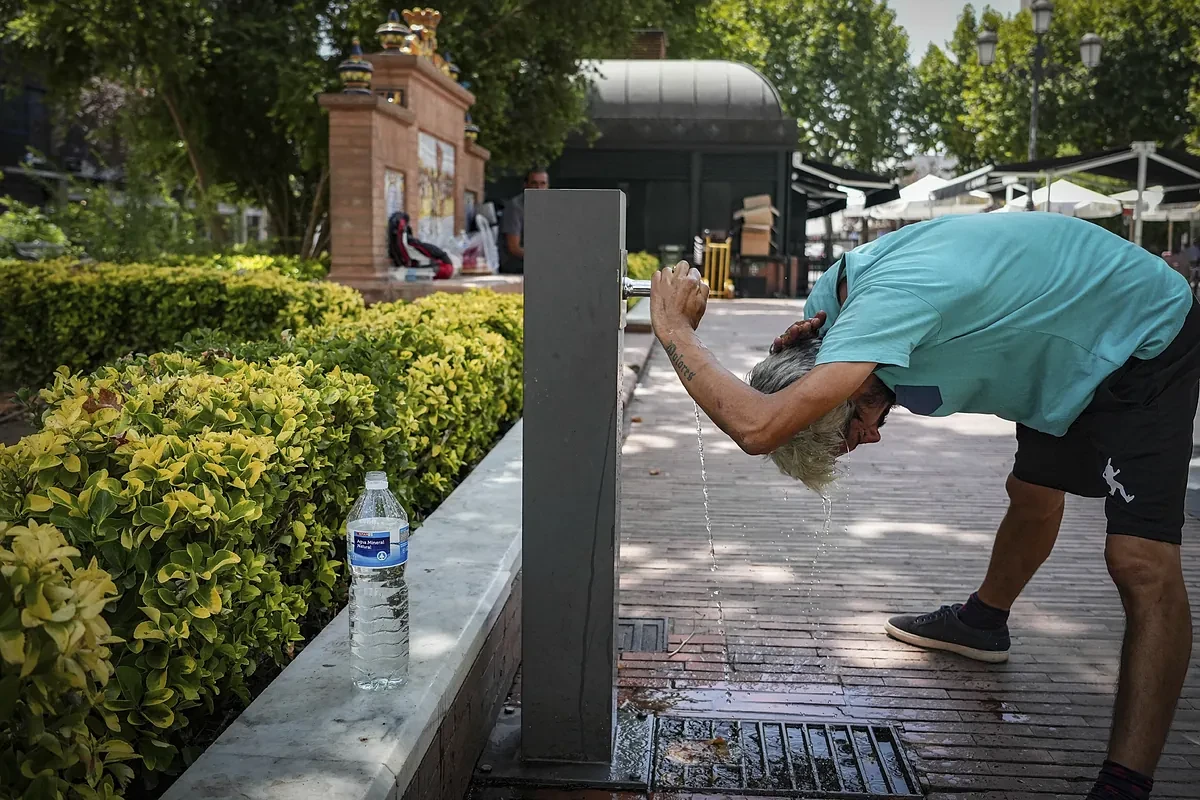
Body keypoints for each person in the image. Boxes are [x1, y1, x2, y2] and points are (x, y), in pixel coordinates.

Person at [649, 212, 1198, 800]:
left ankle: (1124, 785)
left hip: (1139, 333)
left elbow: (758, 429)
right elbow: (789, 389)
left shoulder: (891, 304)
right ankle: (983, 624)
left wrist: (675, 329)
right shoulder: (827, 315)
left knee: (1140, 559)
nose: (875, 435)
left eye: (854, 426)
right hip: (1060, 349)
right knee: (1032, 492)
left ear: (847, 384)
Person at [498, 167, 549, 274]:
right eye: (534, 183)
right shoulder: (515, 207)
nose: (538, 188)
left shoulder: (548, 206)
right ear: (526, 185)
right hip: (515, 262)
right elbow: (514, 248)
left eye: (543, 183)